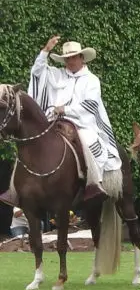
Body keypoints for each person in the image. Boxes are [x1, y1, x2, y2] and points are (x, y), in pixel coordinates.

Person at [1, 36, 118, 208]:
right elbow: (37, 72)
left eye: (74, 57)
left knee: (89, 140)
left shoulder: (92, 80)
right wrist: (45, 51)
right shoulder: (57, 75)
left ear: (81, 58)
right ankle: (15, 190)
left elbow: (91, 104)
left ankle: (94, 183)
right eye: (67, 58)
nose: (70, 61)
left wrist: (66, 109)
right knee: (29, 142)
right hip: (52, 121)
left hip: (81, 122)